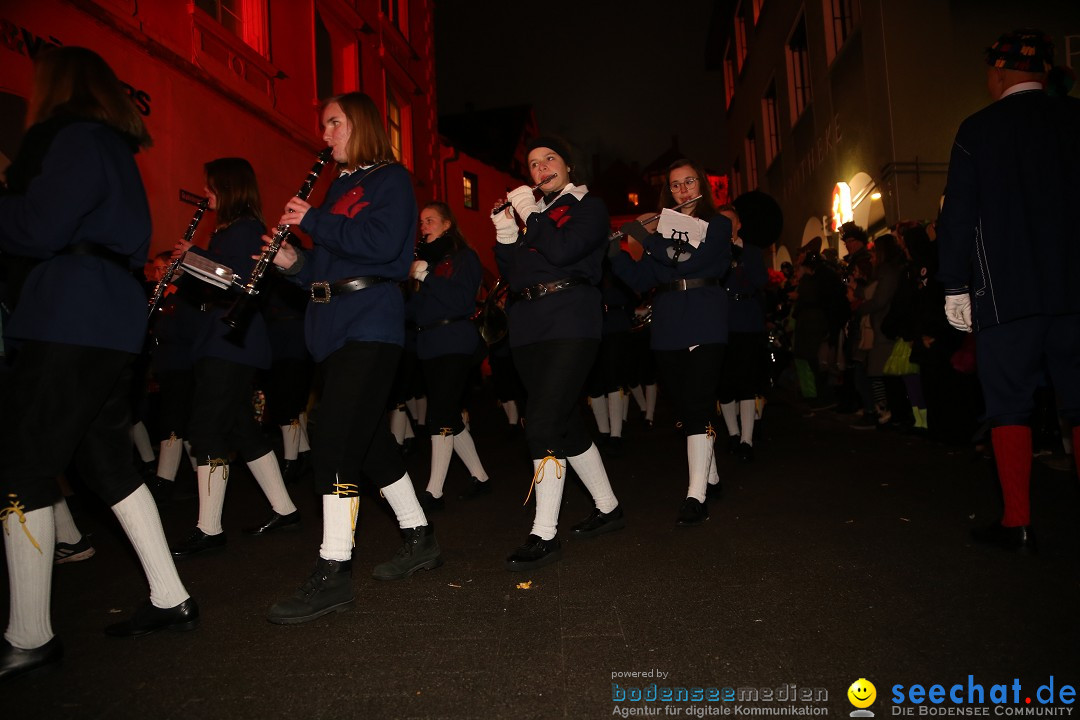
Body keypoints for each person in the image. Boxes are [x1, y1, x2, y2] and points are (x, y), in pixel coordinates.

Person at [0, 46, 198, 681]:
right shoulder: (112, 145)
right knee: (106, 461)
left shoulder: (76, 139)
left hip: (73, 313)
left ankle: (30, 633)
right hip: (107, 316)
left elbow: (35, 228)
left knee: (21, 464)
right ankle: (171, 597)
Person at [265, 92, 442, 623]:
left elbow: (385, 245)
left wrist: (315, 220)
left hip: (371, 322)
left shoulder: (390, 178)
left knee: (334, 434)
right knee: (366, 443)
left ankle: (334, 569)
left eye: (333, 124)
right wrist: (293, 260)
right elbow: (327, 261)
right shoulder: (339, 185)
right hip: (333, 324)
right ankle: (419, 535)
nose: (325, 135)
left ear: (359, 124)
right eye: (323, 126)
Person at [937, 29, 1080, 553]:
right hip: (1074, 289)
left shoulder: (979, 129)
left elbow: (958, 215)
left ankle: (1017, 521)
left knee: (1010, 406)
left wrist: (955, 284)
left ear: (998, 74)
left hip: (1007, 295)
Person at [492, 135, 625, 571]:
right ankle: (608, 508)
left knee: (543, 423)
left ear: (568, 167)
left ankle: (543, 533)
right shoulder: (537, 215)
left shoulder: (588, 206)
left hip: (571, 319)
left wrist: (530, 214)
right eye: (533, 164)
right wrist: (506, 232)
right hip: (530, 326)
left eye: (549, 159)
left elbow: (565, 250)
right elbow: (514, 271)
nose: (541, 167)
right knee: (564, 423)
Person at [168, 158, 301, 557]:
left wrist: (192, 258)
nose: (205, 193)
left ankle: (209, 529)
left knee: (207, 428)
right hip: (223, 339)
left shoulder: (245, 229)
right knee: (242, 427)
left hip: (231, 342)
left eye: (211, 187)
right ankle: (285, 509)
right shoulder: (227, 230)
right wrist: (186, 270)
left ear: (228, 188)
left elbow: (237, 282)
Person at [610, 158, 731, 525]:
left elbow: (686, 262)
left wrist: (645, 235)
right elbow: (640, 278)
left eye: (689, 182)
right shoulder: (660, 234)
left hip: (705, 319)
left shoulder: (718, 225)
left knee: (697, 404)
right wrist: (612, 249)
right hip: (668, 325)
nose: (683, 190)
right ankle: (710, 475)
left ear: (702, 186)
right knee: (685, 406)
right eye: (675, 185)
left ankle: (696, 497)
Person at [410, 201, 491, 508]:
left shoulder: (463, 258)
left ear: (447, 225)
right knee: (449, 415)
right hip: (430, 343)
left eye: (431, 220)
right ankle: (481, 478)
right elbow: (419, 310)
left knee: (440, 412)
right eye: (422, 222)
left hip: (455, 340)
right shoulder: (425, 262)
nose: (424, 226)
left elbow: (461, 301)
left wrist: (428, 276)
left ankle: (434, 492)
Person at [717, 191, 781, 462]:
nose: (725, 226)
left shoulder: (752, 251)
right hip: (720, 322)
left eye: (729, 221)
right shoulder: (713, 252)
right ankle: (732, 434)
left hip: (746, 320)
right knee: (725, 384)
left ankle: (746, 438)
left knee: (746, 382)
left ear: (738, 224)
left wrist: (738, 261)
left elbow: (759, 281)